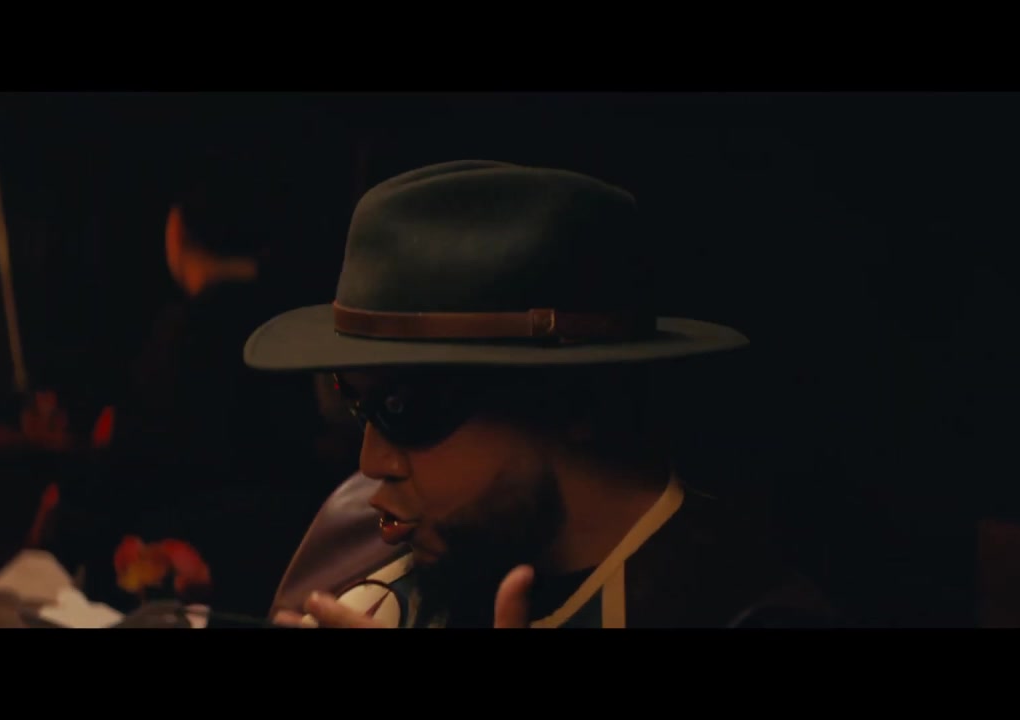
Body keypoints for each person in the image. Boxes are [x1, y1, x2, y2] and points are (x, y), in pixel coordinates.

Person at [247, 159, 839, 628]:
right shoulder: (364, 550)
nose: (372, 462)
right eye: (354, 403)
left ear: (575, 398)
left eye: (402, 408)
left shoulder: (740, 608)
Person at [52, 170, 326, 617]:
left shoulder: (182, 334)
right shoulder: (295, 328)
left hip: (185, 581)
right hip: (286, 576)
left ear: (176, 232)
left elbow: (136, 461)